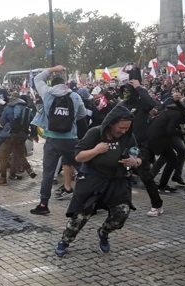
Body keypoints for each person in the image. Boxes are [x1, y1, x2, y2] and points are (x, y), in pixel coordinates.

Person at [54, 106, 139, 257]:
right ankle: (65, 240)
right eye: (121, 127)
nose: (124, 131)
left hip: (117, 181)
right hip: (93, 180)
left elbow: (138, 153)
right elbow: (78, 157)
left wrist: (136, 161)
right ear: (112, 123)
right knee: (81, 216)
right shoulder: (95, 133)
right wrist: (96, 150)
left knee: (122, 213)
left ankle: (104, 232)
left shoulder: (128, 136)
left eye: (127, 128)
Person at [30, 65, 87, 215]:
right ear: (66, 84)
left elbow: (37, 78)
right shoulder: (75, 96)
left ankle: (43, 205)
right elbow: (82, 114)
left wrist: (52, 69)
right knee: (84, 169)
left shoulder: (47, 93)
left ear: (52, 84)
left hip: (52, 140)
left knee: (48, 174)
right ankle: (94, 198)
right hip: (71, 140)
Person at [117, 78, 164, 216]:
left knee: (146, 176)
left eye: (128, 91)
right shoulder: (122, 105)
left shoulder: (141, 104)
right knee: (121, 174)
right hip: (123, 145)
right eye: (123, 91)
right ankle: (120, 203)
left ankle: (157, 204)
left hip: (139, 146)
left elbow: (151, 103)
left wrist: (139, 88)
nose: (125, 93)